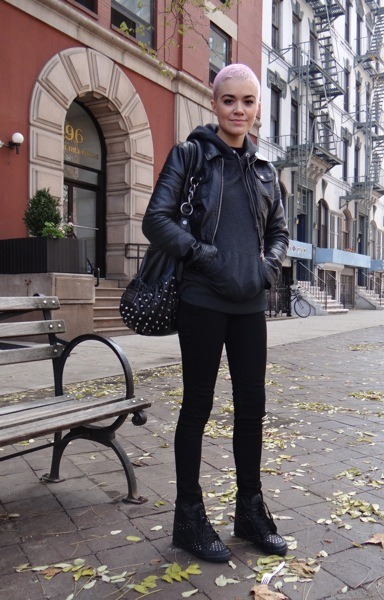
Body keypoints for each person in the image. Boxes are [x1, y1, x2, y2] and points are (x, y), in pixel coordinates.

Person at [142, 63, 289, 563]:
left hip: (250, 304)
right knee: (197, 408)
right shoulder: (190, 155)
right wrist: (204, 255)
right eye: (230, 100)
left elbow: (279, 233)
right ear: (215, 102)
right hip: (201, 301)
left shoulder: (266, 171)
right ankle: (188, 518)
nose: (239, 110)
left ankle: (250, 511)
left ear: (258, 109)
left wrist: (268, 268)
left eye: (248, 101)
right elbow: (156, 220)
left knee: (252, 410)